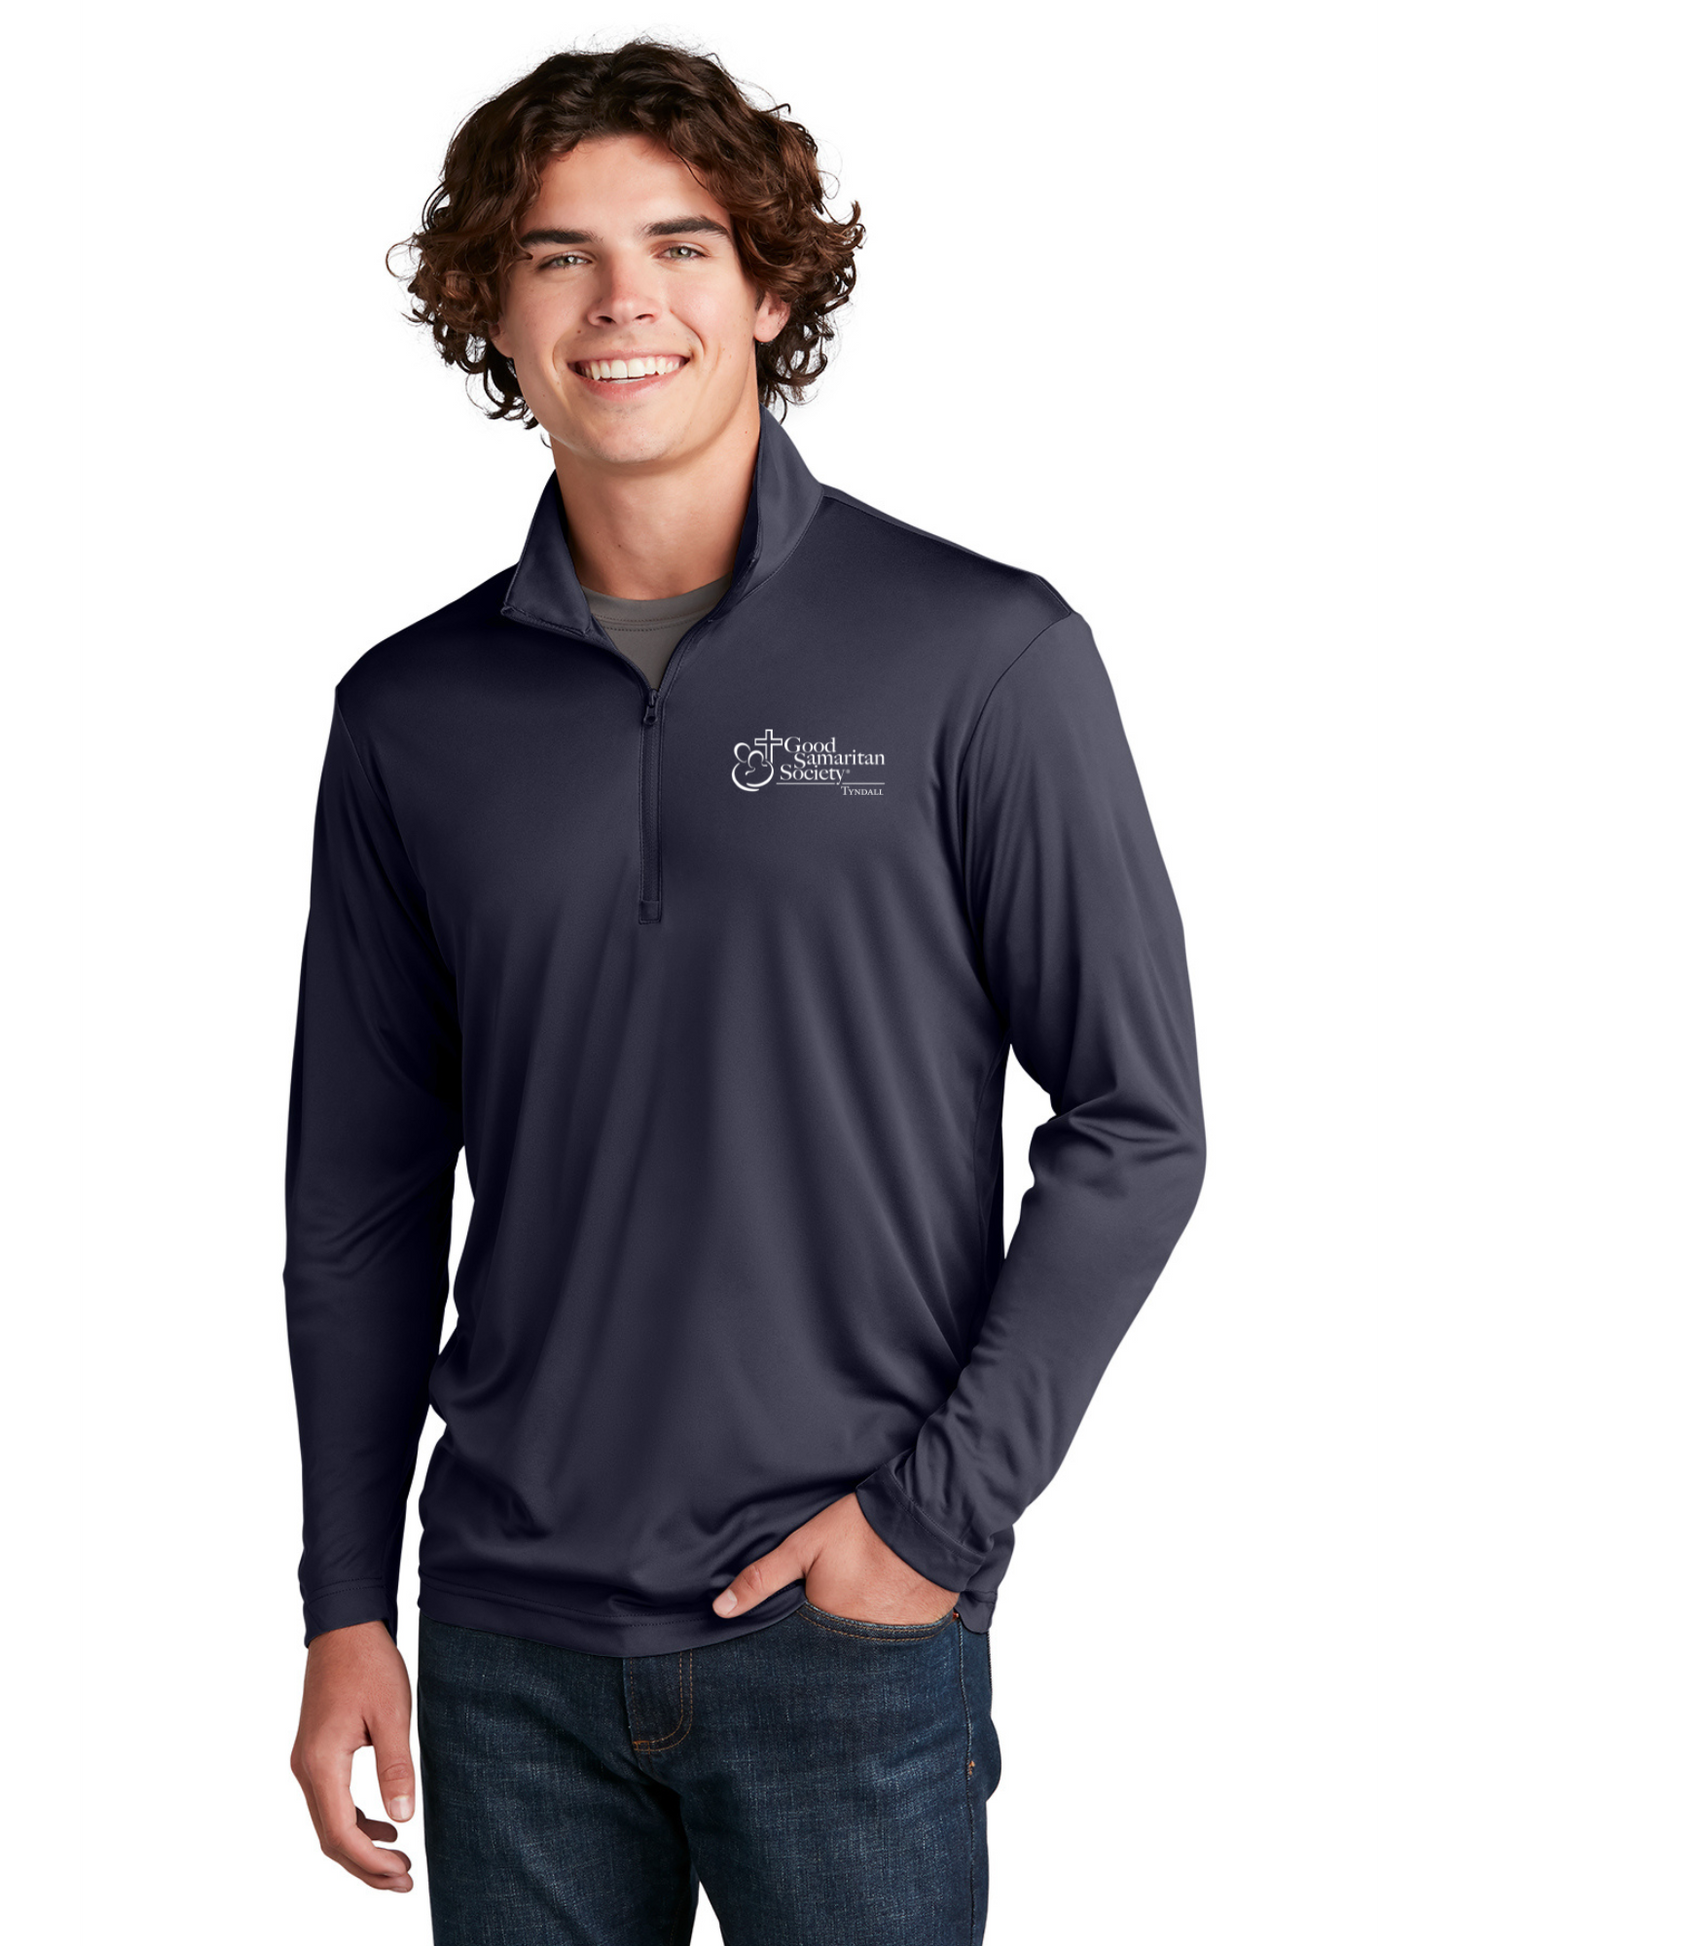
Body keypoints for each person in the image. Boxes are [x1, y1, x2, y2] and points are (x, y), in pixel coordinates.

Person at [283, 39, 1205, 1945]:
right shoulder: (408, 715)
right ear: (494, 315)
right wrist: (345, 1598)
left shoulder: (982, 655)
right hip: (507, 1646)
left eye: (681, 247)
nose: (622, 301)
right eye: (559, 256)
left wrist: (933, 1519)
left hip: (843, 1628)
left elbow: (1136, 1120)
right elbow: (359, 1194)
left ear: (771, 290)